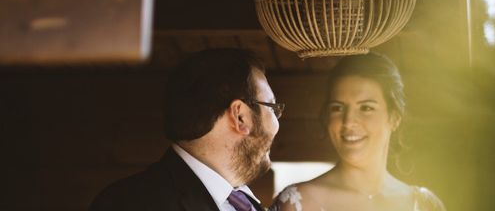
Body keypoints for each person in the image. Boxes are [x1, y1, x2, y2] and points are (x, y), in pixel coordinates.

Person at [90, 48, 283, 211]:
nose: (276, 125)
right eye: (272, 107)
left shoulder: (248, 203)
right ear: (240, 116)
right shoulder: (129, 203)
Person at [271, 52, 445, 211]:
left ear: (394, 117)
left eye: (366, 107)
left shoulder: (423, 205)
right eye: (338, 108)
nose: (348, 122)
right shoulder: (296, 202)